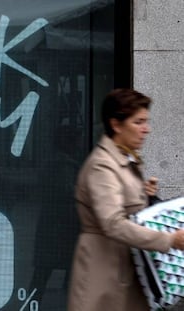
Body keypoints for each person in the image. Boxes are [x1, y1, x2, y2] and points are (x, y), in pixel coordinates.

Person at [67, 88, 184, 311]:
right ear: (116, 125)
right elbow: (113, 223)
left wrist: (145, 195)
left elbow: (122, 203)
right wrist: (168, 240)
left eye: (146, 122)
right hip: (105, 273)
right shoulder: (103, 165)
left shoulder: (122, 159)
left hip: (124, 271)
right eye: (138, 122)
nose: (146, 129)